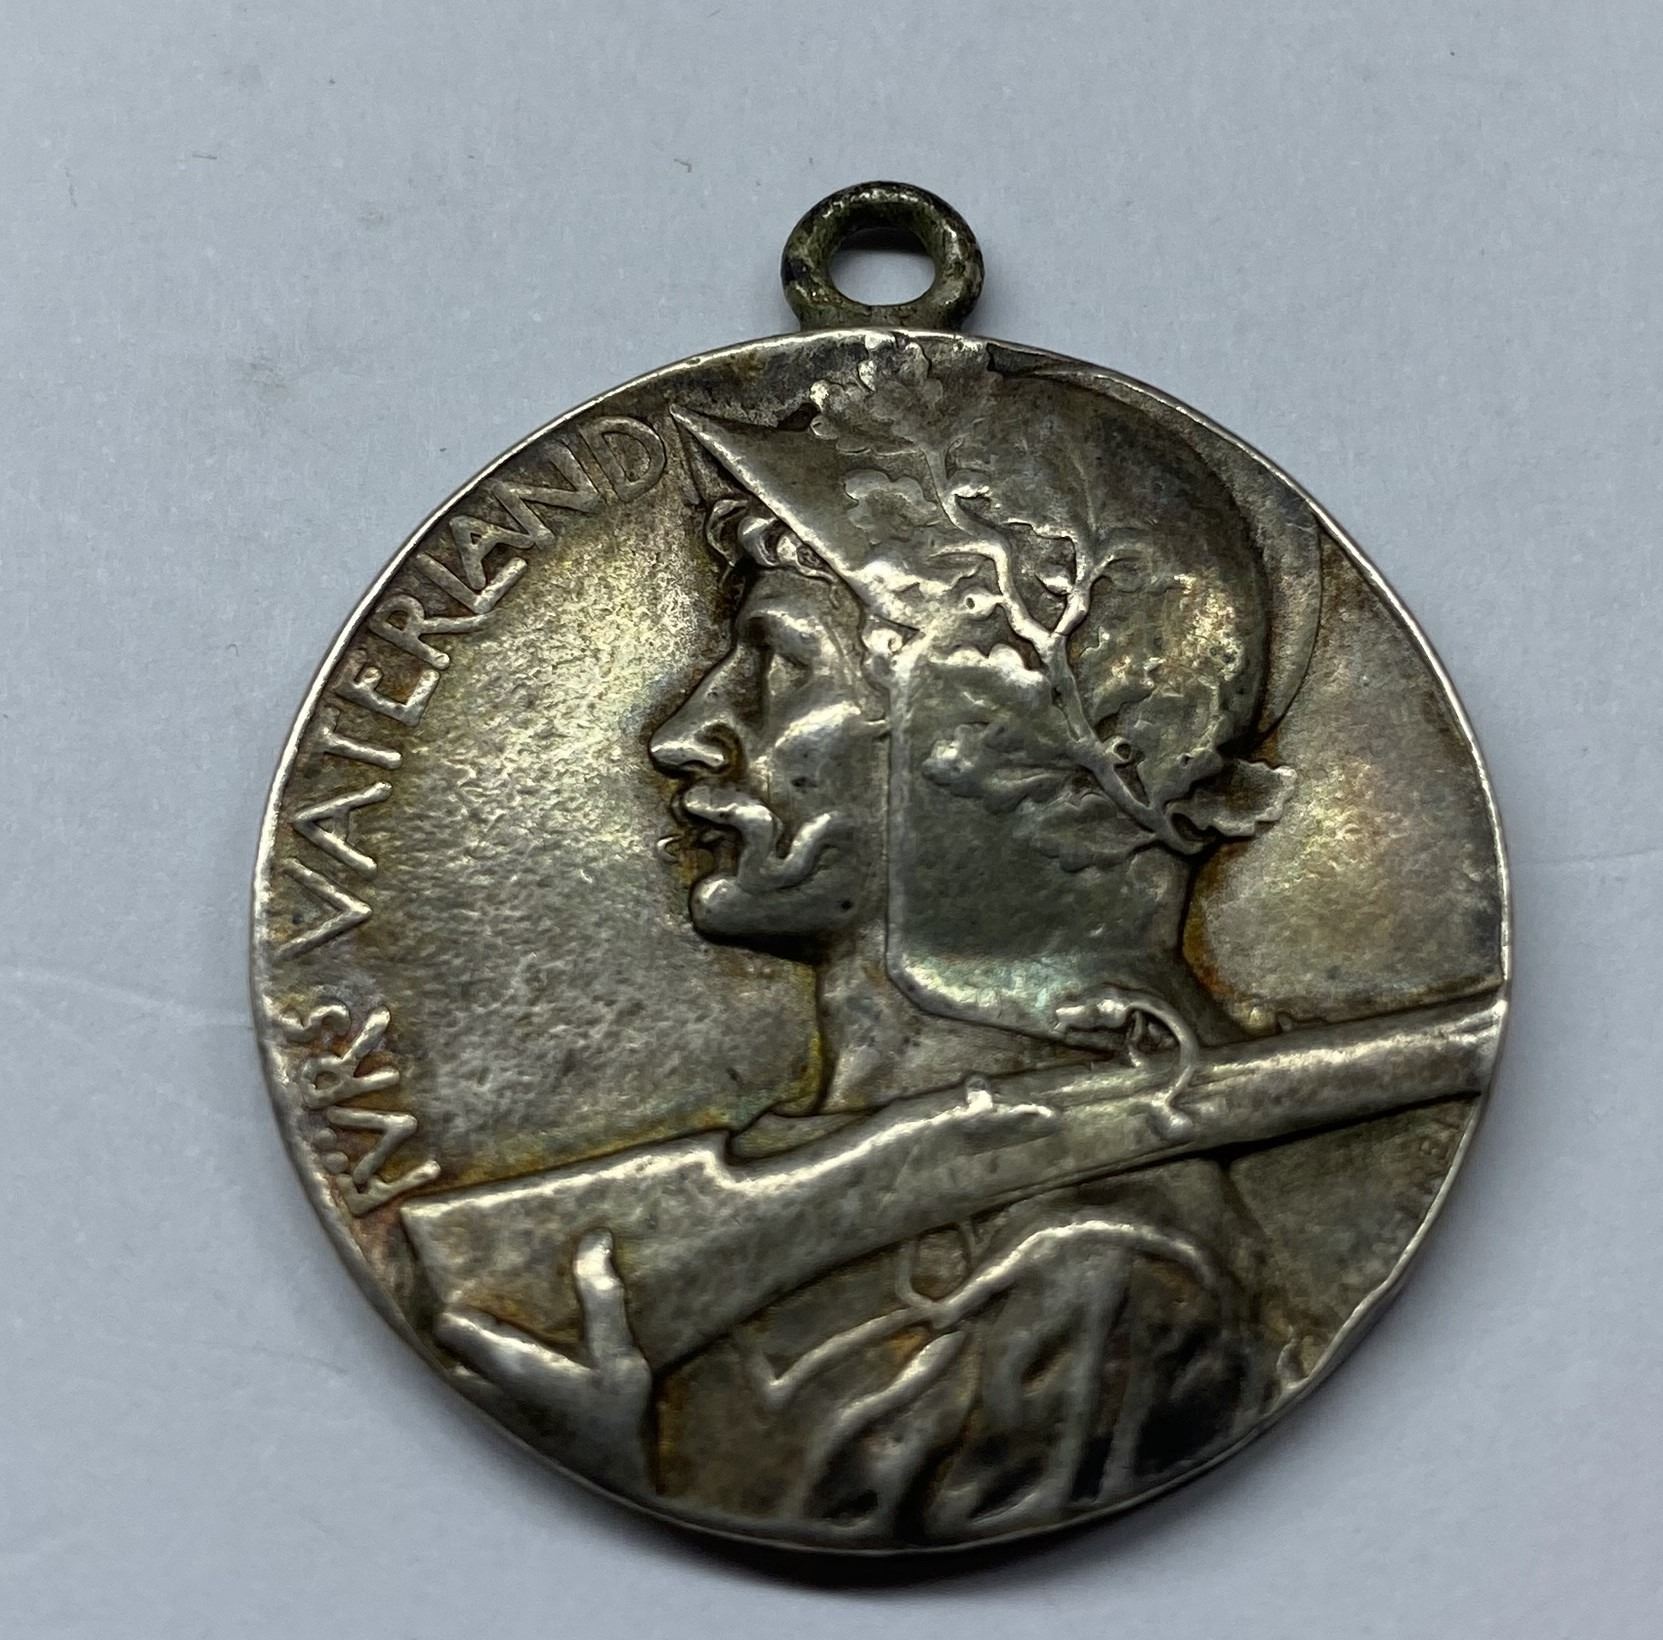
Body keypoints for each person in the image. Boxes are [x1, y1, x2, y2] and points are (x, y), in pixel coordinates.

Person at [433, 337, 1320, 1544]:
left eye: (777, 664)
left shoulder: (1093, 1277)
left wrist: (624, 1474)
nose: (689, 731)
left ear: (967, 738)